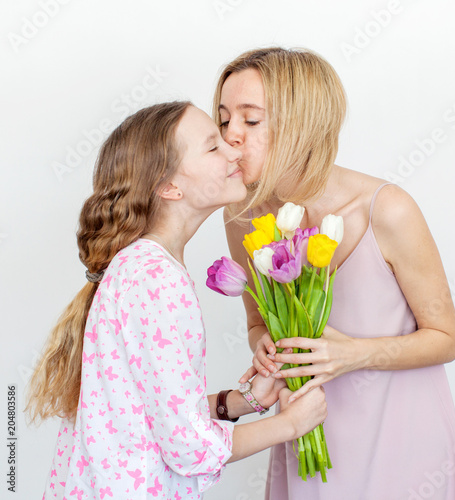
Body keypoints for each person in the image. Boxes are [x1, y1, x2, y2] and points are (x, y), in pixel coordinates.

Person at [26, 101, 327, 500]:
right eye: (213, 147)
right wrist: (291, 424)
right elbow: (188, 448)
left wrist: (245, 400)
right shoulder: (156, 279)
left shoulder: (140, 268)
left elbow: (154, 415)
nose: (234, 150)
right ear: (169, 187)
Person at [214, 47, 455, 499]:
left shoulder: (387, 209)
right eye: (223, 118)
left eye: (251, 121)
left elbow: (447, 338)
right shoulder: (241, 213)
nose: (231, 135)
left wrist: (355, 355)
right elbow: (256, 323)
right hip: (305, 434)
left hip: (402, 442)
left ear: (302, 125)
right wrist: (264, 346)